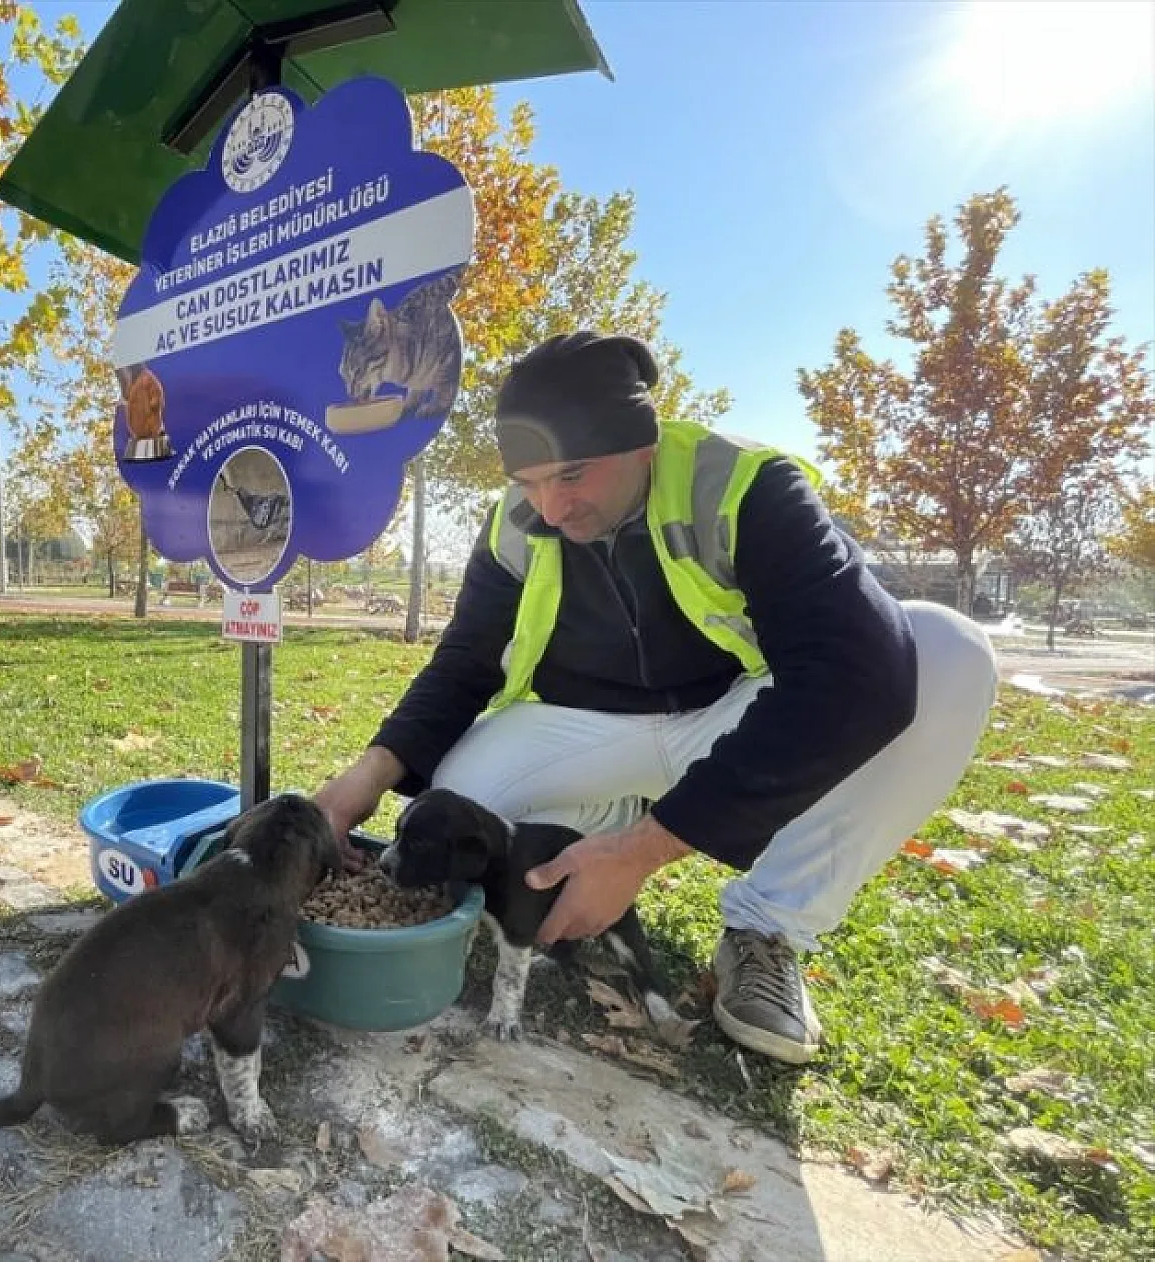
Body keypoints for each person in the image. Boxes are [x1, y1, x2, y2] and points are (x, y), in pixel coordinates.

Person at [313, 332, 997, 1065]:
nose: (551, 507)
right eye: (532, 479)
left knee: (944, 652)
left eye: (572, 475)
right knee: (460, 796)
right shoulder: (517, 520)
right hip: (593, 728)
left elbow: (857, 670)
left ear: (642, 443)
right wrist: (361, 780)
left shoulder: (742, 483)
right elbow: (463, 663)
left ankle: (767, 929)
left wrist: (644, 852)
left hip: (731, 712)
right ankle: (583, 848)